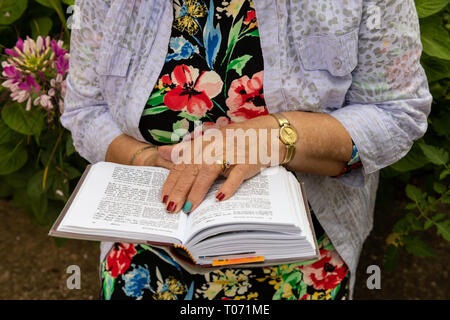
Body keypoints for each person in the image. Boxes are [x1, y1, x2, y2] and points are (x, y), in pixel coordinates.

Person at [61, 0, 432, 300]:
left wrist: (271, 137)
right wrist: (147, 160)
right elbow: (85, 111)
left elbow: (397, 112)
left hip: (302, 260)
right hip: (146, 251)